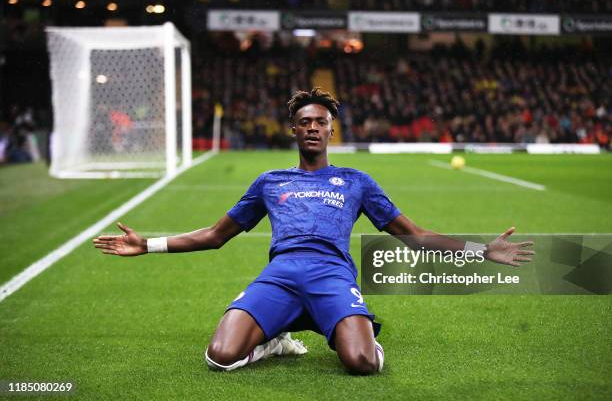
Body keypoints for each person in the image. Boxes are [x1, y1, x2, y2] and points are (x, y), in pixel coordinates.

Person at [93, 87, 534, 375]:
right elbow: (214, 234)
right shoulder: (269, 183)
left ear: (330, 130)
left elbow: (413, 234)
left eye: (319, 122)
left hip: (332, 276)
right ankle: (274, 341)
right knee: (219, 358)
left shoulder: (357, 182)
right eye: (304, 121)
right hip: (281, 275)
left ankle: (351, 326)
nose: (311, 127)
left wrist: (481, 251)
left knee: (361, 363)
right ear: (293, 129)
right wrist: (147, 244)